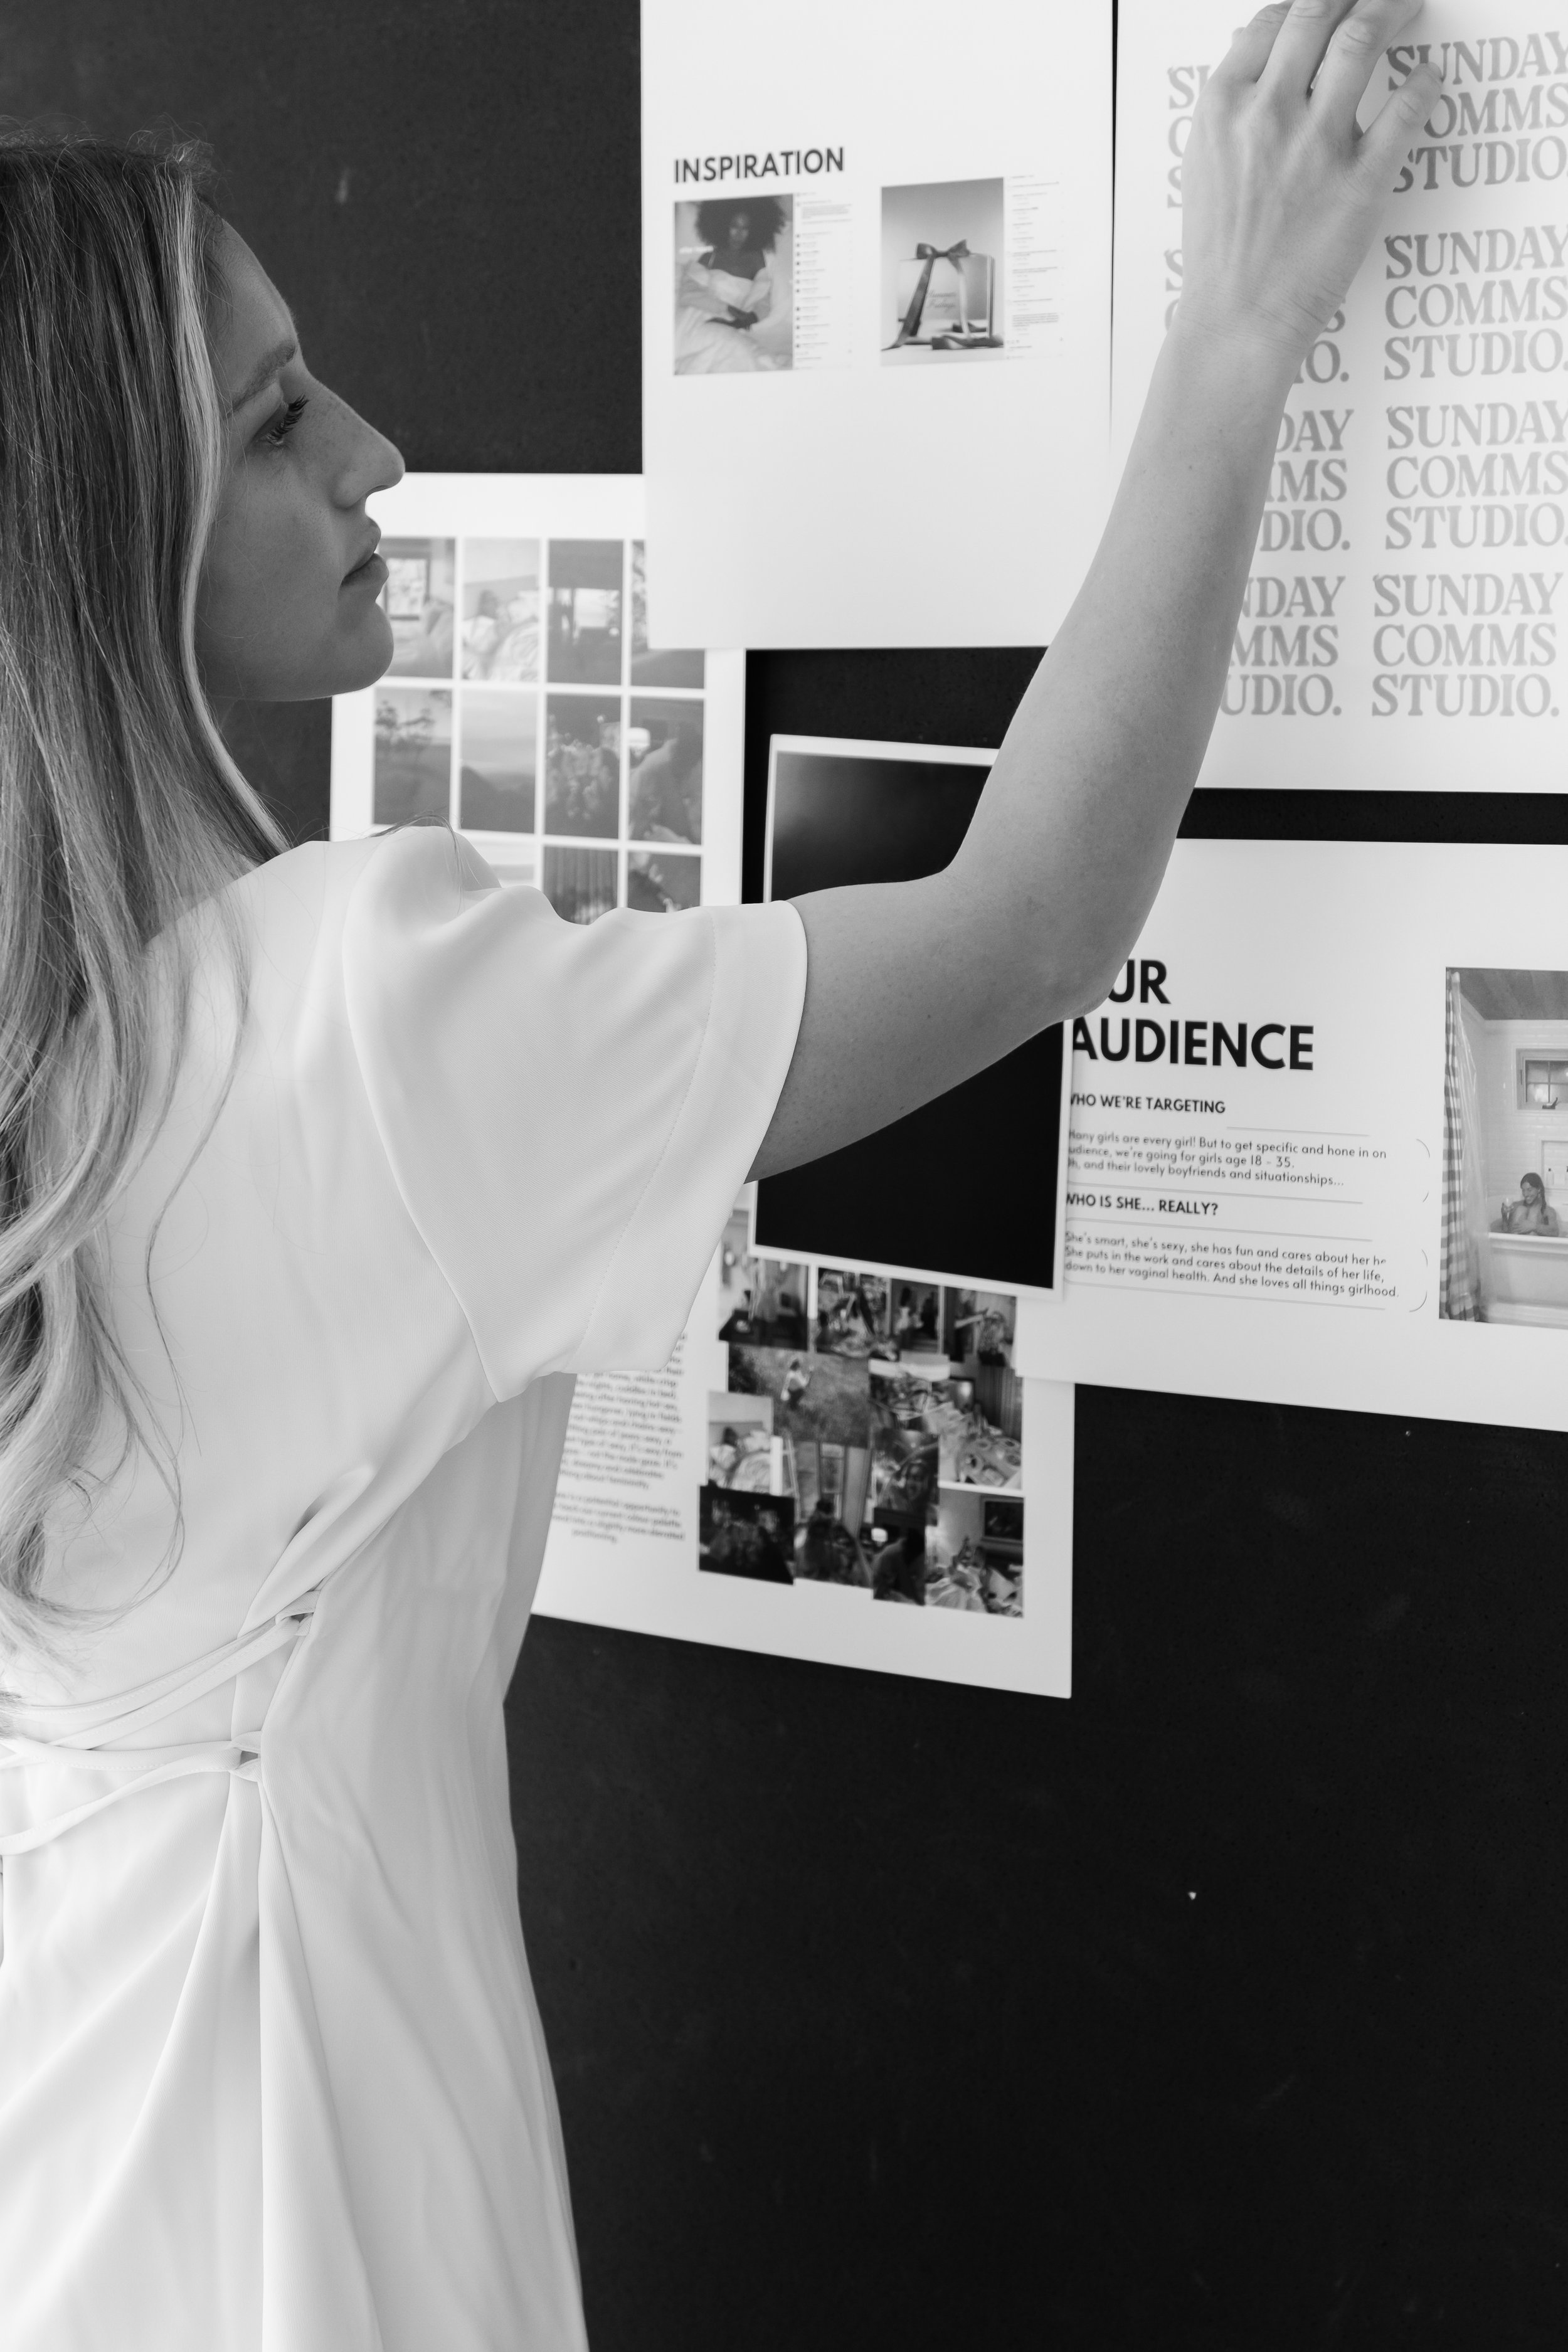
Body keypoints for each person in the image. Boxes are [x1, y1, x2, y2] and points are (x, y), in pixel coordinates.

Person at [0, 10, 1445, 2344]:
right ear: (97, 531)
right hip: (290, 2208)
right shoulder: (354, 1022)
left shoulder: (63, 1066)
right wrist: (1234, 328)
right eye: (272, 423)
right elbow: (1030, 915)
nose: (373, 453)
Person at [674, 197, 788, 376]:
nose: (738, 234)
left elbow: (763, 299)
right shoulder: (710, 257)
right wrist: (726, 309)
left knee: (738, 349)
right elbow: (689, 293)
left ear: (754, 230)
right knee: (734, 350)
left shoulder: (756, 259)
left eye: (745, 228)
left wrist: (747, 319)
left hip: (731, 323)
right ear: (724, 225)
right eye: (734, 226)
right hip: (696, 317)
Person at [1493, 1171, 1561, 1236]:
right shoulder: (1515, 1206)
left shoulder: (1548, 1211)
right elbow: (1505, 1232)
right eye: (1523, 1190)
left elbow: (1555, 1232)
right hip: (1514, 1242)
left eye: (1529, 1190)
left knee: (1533, 1214)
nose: (1526, 1194)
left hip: (1534, 1243)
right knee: (1521, 1209)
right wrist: (1504, 1217)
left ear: (1539, 1189)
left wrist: (1534, 1226)